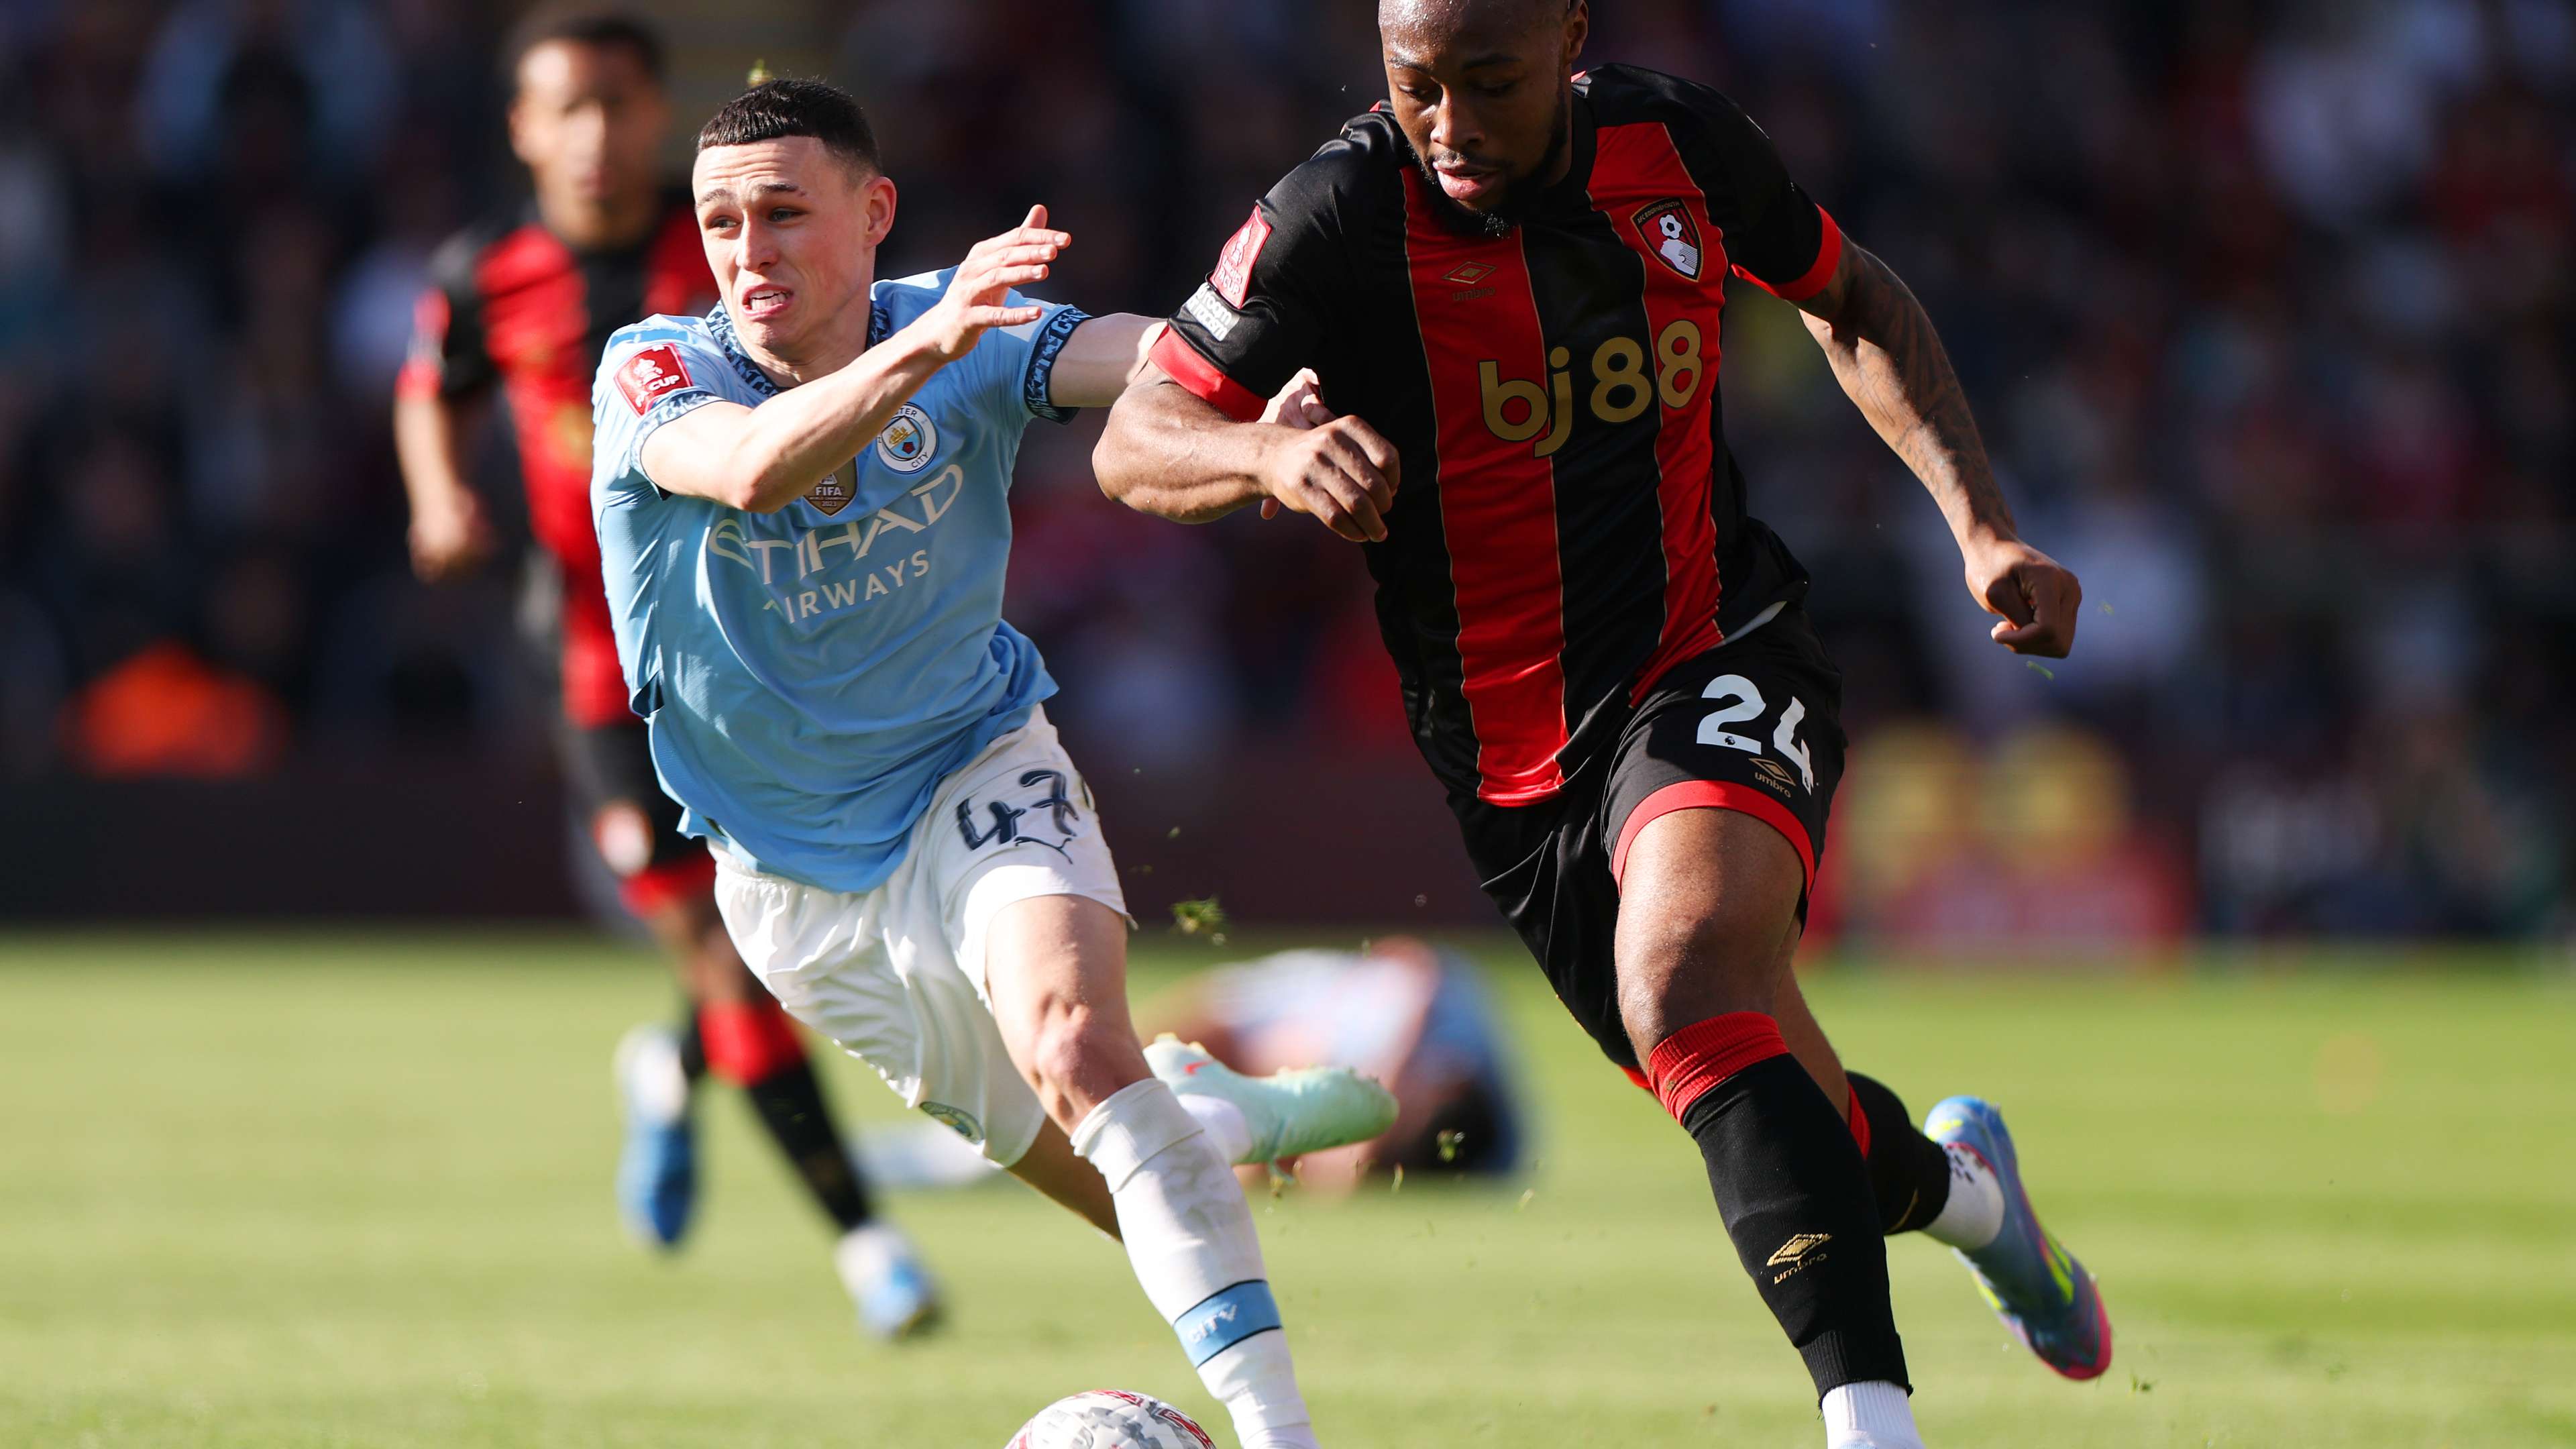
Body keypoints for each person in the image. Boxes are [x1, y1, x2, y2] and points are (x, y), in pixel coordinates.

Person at [1092, 2, 2109, 1444]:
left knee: (1689, 976)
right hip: (1513, 773)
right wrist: (1262, 447)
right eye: (1413, 84)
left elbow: (1853, 298)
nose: (1447, 125)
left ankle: (1873, 1426)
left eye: (1487, 83)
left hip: (1713, 650)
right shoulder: (1331, 213)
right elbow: (1137, 436)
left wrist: (1983, 528)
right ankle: (1976, 1200)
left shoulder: (1679, 146)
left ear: (1570, 35)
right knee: (1762, 1092)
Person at [589, 78, 1397, 1449]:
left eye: (785, 213)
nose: (749, 250)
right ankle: (1198, 1110)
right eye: (722, 220)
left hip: (975, 769)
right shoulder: (656, 368)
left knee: (1079, 1046)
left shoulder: (962, 324)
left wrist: (1254, 413)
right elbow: (747, 472)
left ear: (872, 212)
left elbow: (1155, 360)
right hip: (792, 887)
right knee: (1128, 1159)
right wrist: (934, 344)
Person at [390, 7, 920, 1337]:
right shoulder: (486, 272)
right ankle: (870, 1248)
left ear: (655, 113)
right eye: (565, 108)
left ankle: (672, 1070)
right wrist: (440, 494)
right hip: (600, 675)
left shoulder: (727, 250)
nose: (596, 135)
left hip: (770, 642)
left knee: (797, 938)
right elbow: (430, 387)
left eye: (619, 105)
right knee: (722, 951)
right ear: (522, 128)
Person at [1149, 937, 1525, 1193]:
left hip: (1309, 1041)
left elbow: (1331, 1170)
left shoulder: (1492, 1144)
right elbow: (1417, 962)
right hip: (1313, 1005)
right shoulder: (1430, 1025)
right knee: (1151, 1054)